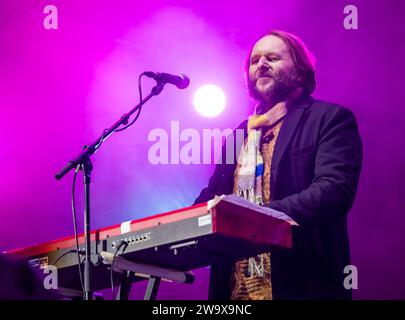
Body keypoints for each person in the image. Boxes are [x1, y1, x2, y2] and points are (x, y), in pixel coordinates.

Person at [194, 30, 363, 300]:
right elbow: (212, 195)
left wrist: (256, 218)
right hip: (234, 292)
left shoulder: (330, 118)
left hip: (303, 284)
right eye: (254, 60)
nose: (261, 64)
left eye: (272, 58)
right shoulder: (238, 135)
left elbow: (334, 191)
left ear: (300, 68)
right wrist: (171, 226)